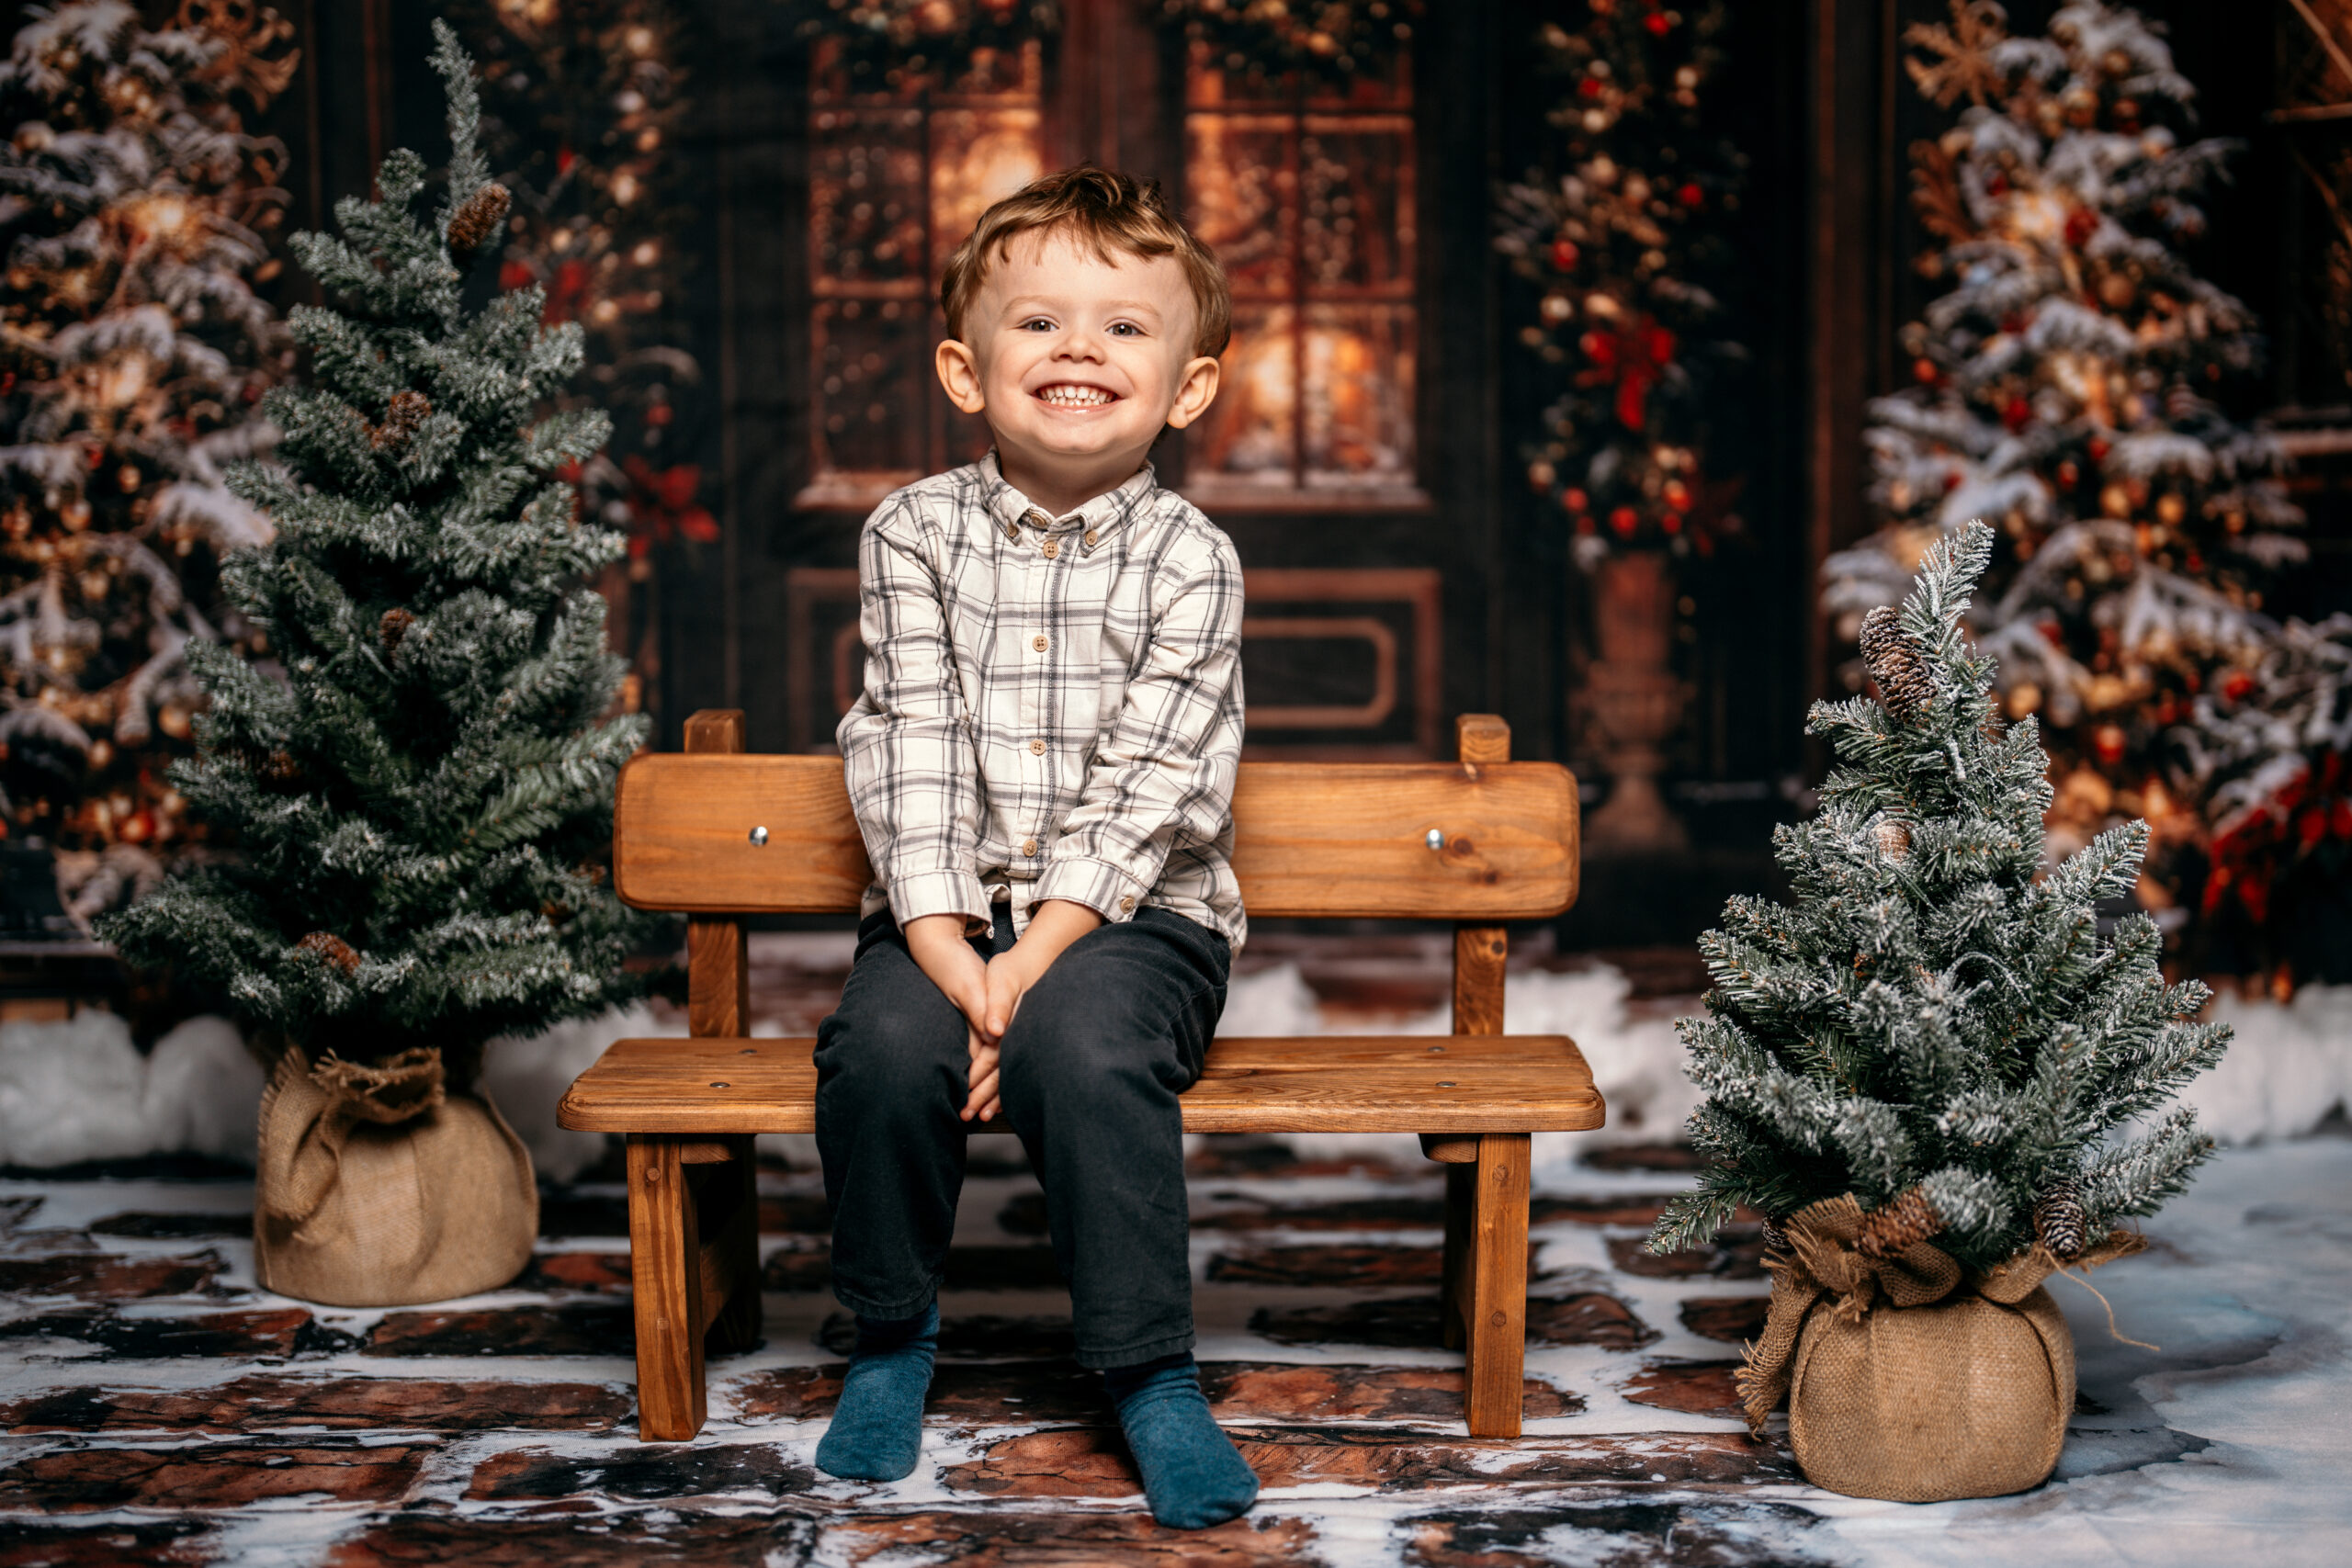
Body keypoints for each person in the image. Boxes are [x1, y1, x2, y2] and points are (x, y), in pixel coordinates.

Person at [812, 165, 1256, 1531]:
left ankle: (1147, 1373)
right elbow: (911, 744)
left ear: (1188, 387)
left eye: (1126, 327)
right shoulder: (914, 534)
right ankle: (890, 1335)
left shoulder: (1194, 559)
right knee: (882, 1051)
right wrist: (953, 956)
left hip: (1139, 923)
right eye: (1039, 322)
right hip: (948, 910)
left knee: (1081, 1044)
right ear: (965, 368)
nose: (1079, 349)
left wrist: (1036, 968)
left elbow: (1155, 780)